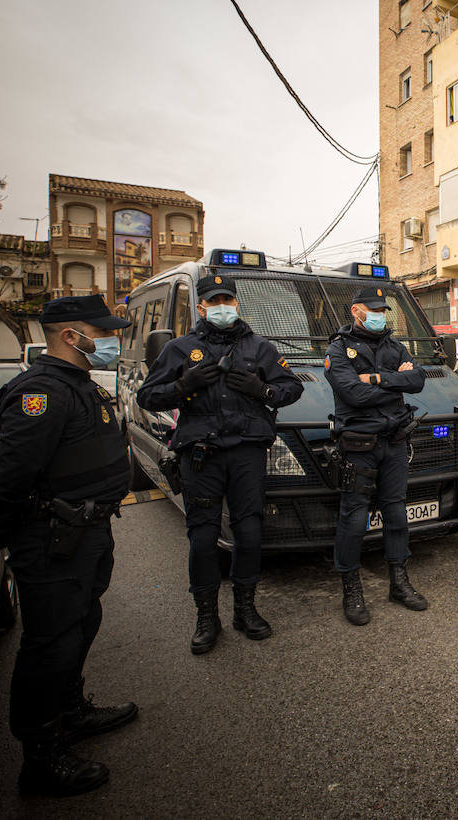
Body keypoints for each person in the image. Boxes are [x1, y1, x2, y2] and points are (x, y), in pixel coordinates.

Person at [0, 295, 137, 796]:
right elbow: (12, 474)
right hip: (53, 539)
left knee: (81, 623)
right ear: (71, 335)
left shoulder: (76, 384)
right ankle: (40, 757)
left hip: (86, 533)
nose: (112, 340)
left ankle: (71, 710)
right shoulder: (40, 392)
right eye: (102, 332)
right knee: (50, 644)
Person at [136, 275, 302, 654]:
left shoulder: (260, 347)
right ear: (201, 307)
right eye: (214, 301)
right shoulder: (180, 349)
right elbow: (148, 396)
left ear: (237, 304)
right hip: (202, 456)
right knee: (203, 538)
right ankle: (206, 617)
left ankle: (245, 609)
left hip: (246, 454)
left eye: (228, 299)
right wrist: (183, 386)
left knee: (250, 534)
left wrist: (264, 391)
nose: (222, 306)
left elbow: (292, 387)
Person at [325, 285, 427, 623]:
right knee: (353, 519)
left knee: (397, 515)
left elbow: (417, 381)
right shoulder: (339, 350)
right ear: (356, 311)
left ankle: (399, 583)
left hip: (394, 443)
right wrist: (391, 382)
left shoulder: (395, 346)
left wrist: (375, 379)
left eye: (384, 310)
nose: (381, 315)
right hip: (358, 446)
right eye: (375, 310)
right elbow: (353, 394)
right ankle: (351, 590)